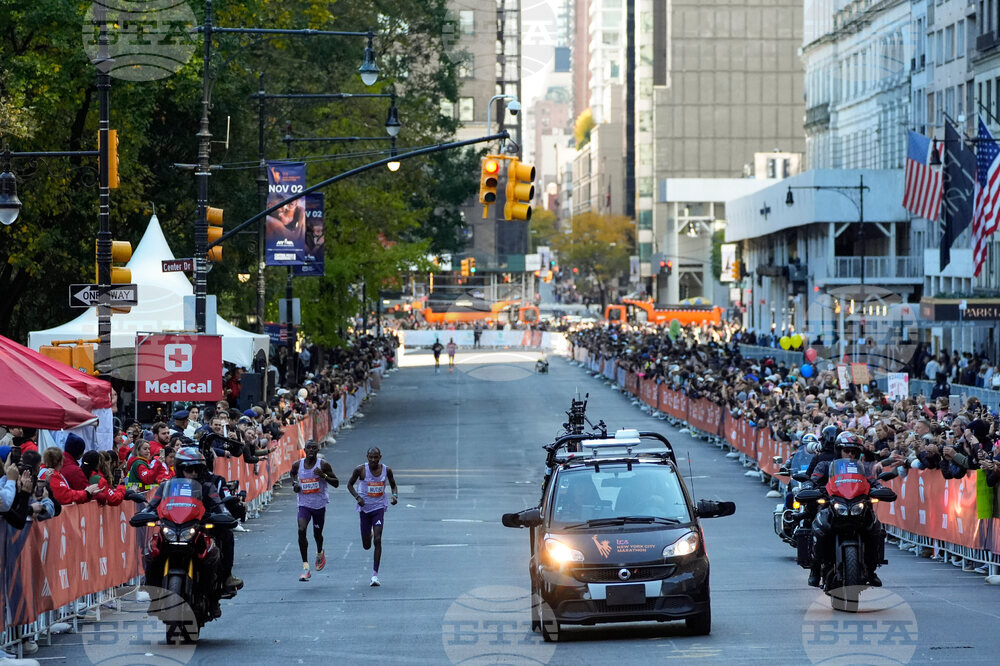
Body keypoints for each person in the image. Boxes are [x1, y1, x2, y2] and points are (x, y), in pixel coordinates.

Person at [141, 447, 230, 618]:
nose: (193, 473)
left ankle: (214, 596)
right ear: (180, 469)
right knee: (152, 552)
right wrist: (144, 514)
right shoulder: (167, 486)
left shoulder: (207, 487)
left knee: (214, 553)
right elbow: (154, 504)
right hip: (172, 529)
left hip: (198, 530)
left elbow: (219, 506)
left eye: (197, 469)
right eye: (189, 469)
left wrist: (223, 515)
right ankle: (154, 595)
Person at [807, 432, 885, 588]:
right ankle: (815, 569)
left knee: (875, 529)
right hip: (833, 505)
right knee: (818, 527)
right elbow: (813, 479)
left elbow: (872, 481)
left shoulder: (862, 469)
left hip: (858, 506)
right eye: (847, 450)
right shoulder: (826, 465)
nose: (850, 454)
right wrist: (811, 487)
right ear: (838, 450)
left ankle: (871, 569)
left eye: (854, 451)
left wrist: (880, 488)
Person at [346, 448, 398, 586]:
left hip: (378, 508)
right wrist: (357, 497)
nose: (373, 460)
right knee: (366, 545)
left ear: (380, 456)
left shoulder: (387, 470)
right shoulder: (360, 470)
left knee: (378, 539)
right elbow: (349, 484)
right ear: (367, 457)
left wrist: (395, 496)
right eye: (371, 457)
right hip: (364, 509)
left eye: (376, 457)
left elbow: (393, 485)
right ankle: (368, 534)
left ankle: (374, 575)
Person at [290, 440, 339, 581]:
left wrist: (323, 476)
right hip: (304, 504)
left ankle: (319, 552)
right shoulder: (297, 465)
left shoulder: (323, 465)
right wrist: (295, 484)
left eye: (314, 448)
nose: (311, 450)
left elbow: (336, 483)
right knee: (301, 530)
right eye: (308, 448)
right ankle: (305, 567)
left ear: (318, 450)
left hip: (319, 505)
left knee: (317, 534)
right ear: (304, 449)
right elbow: (292, 474)